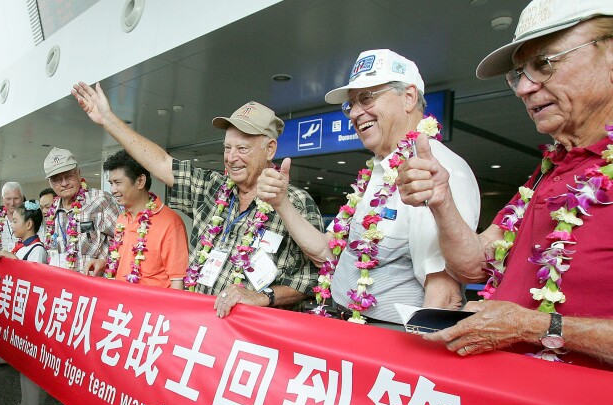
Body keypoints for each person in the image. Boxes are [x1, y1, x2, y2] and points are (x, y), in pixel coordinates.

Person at [73, 82, 321, 405]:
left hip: (258, 356)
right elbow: (161, 162)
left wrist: (262, 298)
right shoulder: (214, 191)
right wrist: (108, 120)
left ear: (270, 149)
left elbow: (310, 283)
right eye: (227, 147)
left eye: (243, 148)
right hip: (207, 347)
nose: (231, 156)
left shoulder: (297, 201)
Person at [397, 0, 613, 367]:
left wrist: (533, 326)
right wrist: (441, 201)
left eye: (543, 64)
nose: (523, 89)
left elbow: (526, 324)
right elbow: (475, 265)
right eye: (518, 73)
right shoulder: (550, 167)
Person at [258, 49, 480, 326]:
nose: (356, 112)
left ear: (409, 97)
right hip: (352, 328)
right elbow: (326, 251)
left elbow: (444, 295)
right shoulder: (378, 171)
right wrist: (281, 202)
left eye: (367, 98)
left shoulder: (434, 170)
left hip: (393, 339)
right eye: (351, 104)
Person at [84, 149, 188, 405]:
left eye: (117, 182)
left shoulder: (169, 222)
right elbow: (121, 266)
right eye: (109, 182)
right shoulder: (123, 219)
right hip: (121, 325)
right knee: (121, 403)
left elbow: (178, 285)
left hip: (152, 332)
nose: (112, 189)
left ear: (141, 181)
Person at [41, 147, 121, 405]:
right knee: (72, 367)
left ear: (78, 172)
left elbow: (126, 240)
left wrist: (105, 259)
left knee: (105, 371)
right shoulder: (53, 212)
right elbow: (51, 252)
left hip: (100, 302)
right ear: (51, 181)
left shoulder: (100, 200)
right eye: (57, 178)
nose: (64, 182)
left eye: (68, 175)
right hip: (67, 303)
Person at [0, 202, 47, 405]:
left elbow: (34, 280)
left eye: (15, 220)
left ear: (29, 224)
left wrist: (12, 260)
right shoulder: (22, 247)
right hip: (20, 312)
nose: (11, 225)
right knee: (22, 362)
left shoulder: (37, 249)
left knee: (30, 364)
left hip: (31, 314)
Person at [0, 182, 26, 253]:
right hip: (1, 261)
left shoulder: (30, 215)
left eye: (16, 198)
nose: (12, 203)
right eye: (8, 199)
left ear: (22, 198)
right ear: (3, 199)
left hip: (23, 262)